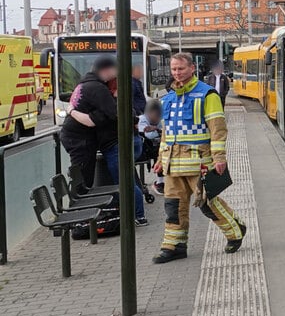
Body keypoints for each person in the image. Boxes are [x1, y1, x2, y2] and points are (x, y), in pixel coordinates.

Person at [152, 52, 246, 264]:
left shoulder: (207, 95)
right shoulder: (167, 98)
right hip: (173, 165)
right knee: (173, 208)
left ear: (192, 68)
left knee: (207, 204)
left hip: (199, 162)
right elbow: (166, 133)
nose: (177, 73)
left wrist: (219, 157)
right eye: (174, 69)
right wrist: (160, 158)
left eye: (181, 69)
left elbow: (218, 129)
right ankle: (174, 246)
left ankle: (235, 230)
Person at [61, 55, 148, 226]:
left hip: (85, 139)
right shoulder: (98, 89)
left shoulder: (84, 84)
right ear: (106, 70)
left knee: (122, 180)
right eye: (115, 69)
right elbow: (115, 113)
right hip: (85, 140)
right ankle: (80, 217)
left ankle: (135, 215)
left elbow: (101, 117)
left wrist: (71, 111)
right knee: (90, 179)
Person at [138, 99, 165, 195]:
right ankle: (160, 182)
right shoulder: (142, 119)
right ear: (148, 113)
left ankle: (162, 180)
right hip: (143, 149)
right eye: (155, 115)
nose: (157, 119)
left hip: (154, 147)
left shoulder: (160, 120)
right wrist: (158, 131)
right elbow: (148, 135)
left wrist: (156, 129)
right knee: (159, 152)